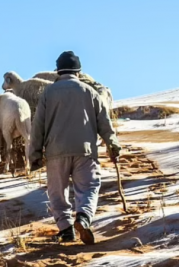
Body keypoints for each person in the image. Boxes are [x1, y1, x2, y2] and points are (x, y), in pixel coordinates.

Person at [29, 51, 121, 245]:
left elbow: (38, 126)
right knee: (88, 186)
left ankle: (66, 229)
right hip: (85, 150)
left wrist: (35, 153)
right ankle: (84, 217)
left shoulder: (48, 93)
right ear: (78, 71)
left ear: (58, 71)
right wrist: (112, 145)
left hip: (56, 151)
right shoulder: (90, 92)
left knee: (57, 192)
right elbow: (104, 122)